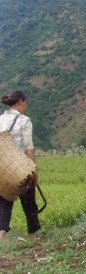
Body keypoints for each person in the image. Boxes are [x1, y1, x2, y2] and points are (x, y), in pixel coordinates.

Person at [0, 91, 41, 240]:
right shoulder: (24, 120)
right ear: (19, 103)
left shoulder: (0, 119)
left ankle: (1, 236)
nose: (26, 107)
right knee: (29, 201)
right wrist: (34, 169)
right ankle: (33, 234)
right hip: (20, 167)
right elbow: (29, 147)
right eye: (26, 104)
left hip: (3, 168)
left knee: (4, 202)